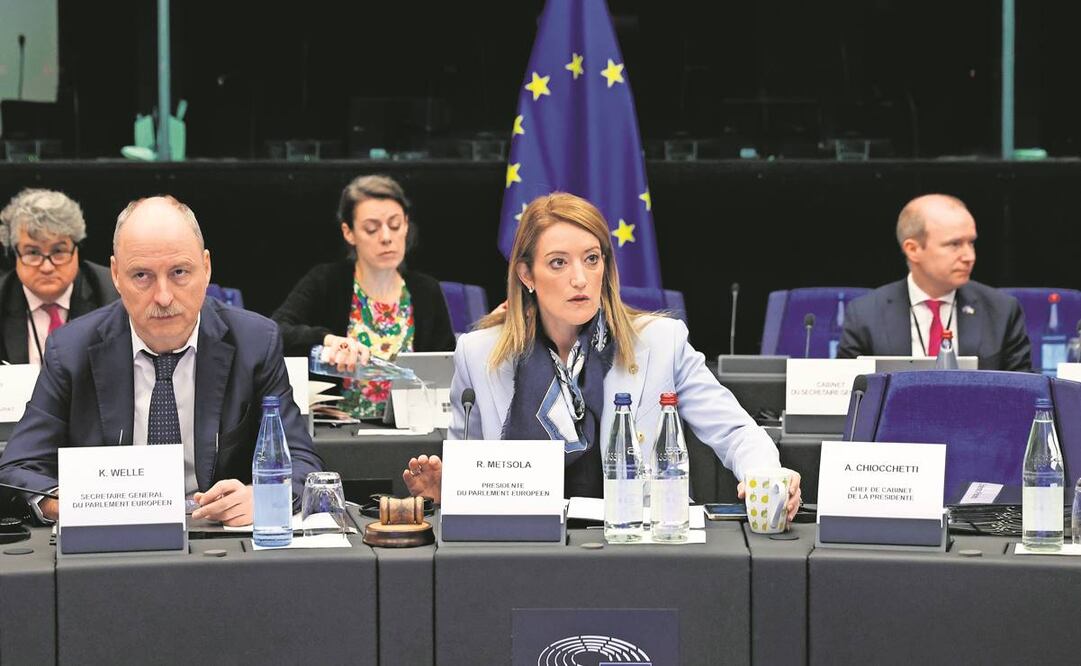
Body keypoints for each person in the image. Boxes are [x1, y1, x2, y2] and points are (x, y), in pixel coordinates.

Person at [402, 192, 800, 519]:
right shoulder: (479, 353)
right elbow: (467, 465)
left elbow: (734, 431)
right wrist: (446, 488)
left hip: (636, 544)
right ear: (526, 274)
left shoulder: (661, 341)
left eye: (592, 259)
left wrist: (765, 475)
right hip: (525, 547)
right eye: (559, 263)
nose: (580, 278)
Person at [0, 195, 322, 525]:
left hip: (218, 535)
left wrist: (266, 495)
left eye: (180, 272)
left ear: (207, 268)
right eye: (141, 275)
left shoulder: (255, 342)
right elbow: (18, 468)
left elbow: (302, 462)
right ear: (115, 274)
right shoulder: (71, 350)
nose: (164, 297)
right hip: (113, 538)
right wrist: (70, 504)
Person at [272, 175, 455, 420]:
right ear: (349, 233)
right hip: (337, 433)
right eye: (372, 228)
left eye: (395, 224)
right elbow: (275, 331)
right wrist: (327, 340)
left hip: (410, 432)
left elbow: (446, 366)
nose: (386, 237)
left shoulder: (426, 291)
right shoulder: (326, 281)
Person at [838, 194, 1031, 371]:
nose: (969, 256)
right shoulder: (865, 314)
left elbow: (1025, 394)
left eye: (971, 243)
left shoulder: (1001, 311)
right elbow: (850, 396)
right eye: (954, 244)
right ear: (913, 249)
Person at [0, 188, 119, 364]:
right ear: (14, 254)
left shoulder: (112, 296)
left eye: (58, 251)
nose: (47, 267)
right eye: (33, 252)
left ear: (77, 250)